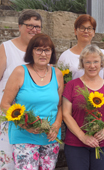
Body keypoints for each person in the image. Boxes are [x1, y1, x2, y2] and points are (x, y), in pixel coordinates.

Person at [0, 33, 63, 170]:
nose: (43, 54)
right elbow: (5, 104)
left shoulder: (57, 74)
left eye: (47, 50)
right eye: (38, 49)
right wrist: (25, 125)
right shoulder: (20, 72)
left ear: (51, 53)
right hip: (24, 136)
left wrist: (57, 125)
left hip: (50, 138)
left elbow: (60, 105)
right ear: (31, 52)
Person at [62, 44, 104, 170]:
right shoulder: (72, 85)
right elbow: (66, 114)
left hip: (102, 143)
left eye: (95, 62)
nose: (92, 66)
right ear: (82, 63)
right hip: (76, 143)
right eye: (88, 62)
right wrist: (83, 136)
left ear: (102, 63)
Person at [0, 10, 42, 169]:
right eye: (29, 25)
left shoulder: (41, 51)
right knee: (8, 162)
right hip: (9, 116)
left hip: (33, 116)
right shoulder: (6, 48)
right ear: (19, 26)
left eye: (37, 26)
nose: (34, 30)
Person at [58, 14, 104, 83]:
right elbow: (60, 82)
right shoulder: (65, 56)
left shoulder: (102, 53)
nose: (86, 31)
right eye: (82, 28)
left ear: (93, 32)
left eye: (89, 28)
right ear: (75, 31)